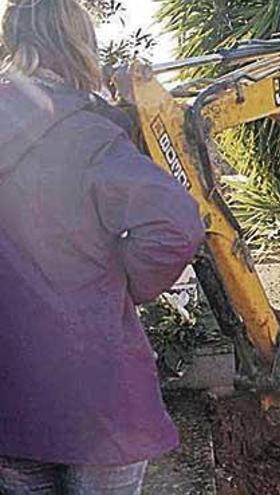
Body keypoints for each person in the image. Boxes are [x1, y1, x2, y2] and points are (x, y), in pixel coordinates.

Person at [0, 1, 205, 493]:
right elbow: (177, 225)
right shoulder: (88, 134)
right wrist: (126, 283)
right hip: (100, 401)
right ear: (77, 45)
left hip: (11, 399)